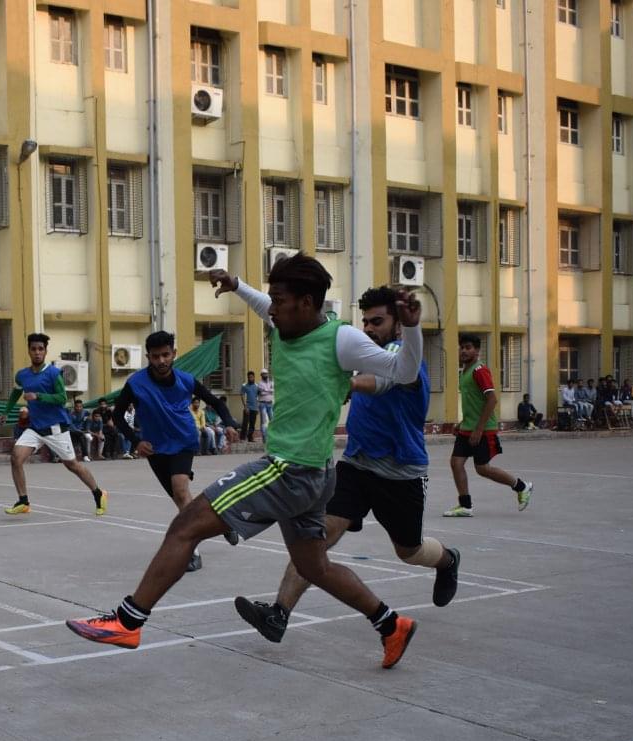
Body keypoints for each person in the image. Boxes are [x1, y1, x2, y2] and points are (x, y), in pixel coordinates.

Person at [66, 254, 426, 668]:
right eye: (272, 299)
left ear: (307, 303)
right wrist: (236, 285)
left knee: (186, 526)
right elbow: (262, 304)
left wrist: (413, 328)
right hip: (314, 474)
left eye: (280, 300)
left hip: (288, 470)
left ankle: (128, 621)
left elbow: (404, 372)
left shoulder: (341, 339)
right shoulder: (285, 321)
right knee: (315, 567)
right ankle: (391, 625)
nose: (272, 309)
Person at [234, 285, 461, 646]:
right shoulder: (362, 351)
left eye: (378, 322)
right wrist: (238, 286)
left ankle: (447, 561)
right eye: (366, 321)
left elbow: (382, 381)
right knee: (316, 538)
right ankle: (278, 613)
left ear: (397, 325)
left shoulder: (401, 358)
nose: (369, 328)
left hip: (400, 473)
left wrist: (347, 383)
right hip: (356, 465)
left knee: (410, 551)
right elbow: (282, 317)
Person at [111, 330, 242, 572]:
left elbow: (216, 402)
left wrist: (230, 423)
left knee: (181, 492)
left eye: (165, 355)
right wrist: (136, 441)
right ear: (148, 357)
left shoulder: (186, 380)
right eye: (155, 356)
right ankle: (222, 521)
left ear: (174, 354)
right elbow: (117, 415)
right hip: (155, 449)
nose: (161, 361)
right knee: (184, 502)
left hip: (183, 441)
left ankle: (192, 552)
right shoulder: (136, 384)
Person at [0, 333, 109, 515]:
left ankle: (99, 493)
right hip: (35, 428)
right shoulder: (22, 375)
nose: (37, 352)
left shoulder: (53, 373)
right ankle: (23, 501)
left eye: (40, 349)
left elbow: (62, 398)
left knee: (72, 465)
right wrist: (6, 411)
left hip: (55, 429)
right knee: (16, 458)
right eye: (33, 349)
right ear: (29, 351)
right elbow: (16, 392)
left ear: (45, 351)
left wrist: (38, 396)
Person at [443, 334, 531, 517]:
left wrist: (479, 429)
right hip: (467, 428)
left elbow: (492, 400)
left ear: (477, 350)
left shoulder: (480, 370)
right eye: (462, 347)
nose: (464, 351)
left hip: (483, 430)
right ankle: (465, 506)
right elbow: (474, 403)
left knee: (482, 468)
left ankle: (522, 486)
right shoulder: (465, 372)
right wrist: (462, 423)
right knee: (456, 463)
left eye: (468, 347)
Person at [239, 371, 261, 441]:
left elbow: (259, 397)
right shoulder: (244, 386)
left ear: (254, 377)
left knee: (252, 424)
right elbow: (242, 395)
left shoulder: (257, 386)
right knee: (245, 423)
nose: (250, 378)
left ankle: (250, 437)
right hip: (247, 407)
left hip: (254, 408)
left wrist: (258, 407)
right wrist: (245, 406)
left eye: (251, 377)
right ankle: (242, 438)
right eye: (249, 377)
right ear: (247, 378)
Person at [257, 369, 275, 434]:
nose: (265, 375)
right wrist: (269, 391)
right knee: (264, 422)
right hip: (262, 404)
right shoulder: (259, 383)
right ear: (261, 375)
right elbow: (261, 393)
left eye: (266, 374)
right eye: (264, 374)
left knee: (272, 420)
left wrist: (265, 390)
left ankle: (272, 435)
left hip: (270, 403)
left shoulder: (271, 383)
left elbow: (273, 391)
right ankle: (264, 438)